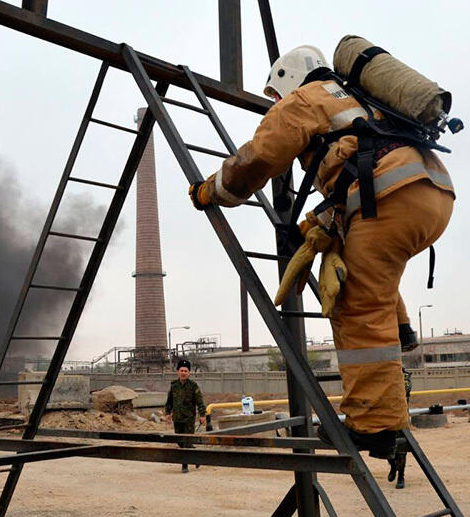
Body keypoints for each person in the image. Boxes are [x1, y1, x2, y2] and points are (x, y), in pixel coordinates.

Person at [188, 45, 454, 459]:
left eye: (275, 97)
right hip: (431, 191)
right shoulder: (358, 102)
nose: (276, 105)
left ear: (287, 81)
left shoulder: (304, 99)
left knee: (358, 307)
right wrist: (308, 228)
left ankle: (373, 427)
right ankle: (401, 329)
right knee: (371, 271)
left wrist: (212, 190)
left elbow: (257, 159)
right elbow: (354, 175)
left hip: (388, 196)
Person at [165, 359, 206, 473]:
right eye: (181, 370)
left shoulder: (193, 386)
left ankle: (185, 465)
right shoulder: (174, 386)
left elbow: (200, 401)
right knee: (180, 441)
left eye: (185, 371)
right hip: (177, 418)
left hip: (189, 418)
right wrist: (168, 413)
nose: (183, 373)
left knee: (186, 441)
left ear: (189, 373)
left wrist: (202, 415)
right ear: (178, 371)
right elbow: (169, 401)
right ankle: (196, 456)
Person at [387, 367, 413, 488]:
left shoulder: (405, 377)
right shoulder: (384, 377)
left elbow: (405, 390)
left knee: (401, 450)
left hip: (401, 420)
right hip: (386, 418)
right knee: (386, 448)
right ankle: (393, 465)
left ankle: (401, 476)